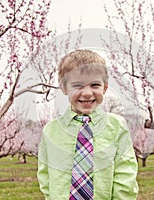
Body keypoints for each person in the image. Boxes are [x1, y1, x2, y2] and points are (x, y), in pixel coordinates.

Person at [37, 49, 139, 199]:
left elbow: (125, 172)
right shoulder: (50, 131)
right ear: (65, 88)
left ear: (104, 87)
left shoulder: (117, 126)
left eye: (94, 85)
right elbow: (45, 175)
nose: (86, 93)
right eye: (78, 85)